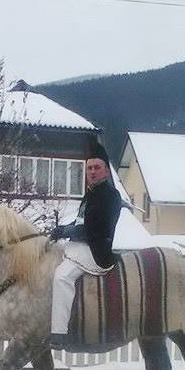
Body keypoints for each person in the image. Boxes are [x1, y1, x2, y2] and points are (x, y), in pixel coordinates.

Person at [48, 142, 122, 349]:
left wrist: (67, 232)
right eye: (89, 168)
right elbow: (81, 222)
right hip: (80, 246)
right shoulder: (91, 193)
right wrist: (61, 229)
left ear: (106, 171)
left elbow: (96, 231)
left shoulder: (110, 196)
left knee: (62, 276)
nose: (92, 172)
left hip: (96, 251)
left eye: (97, 168)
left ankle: (59, 333)